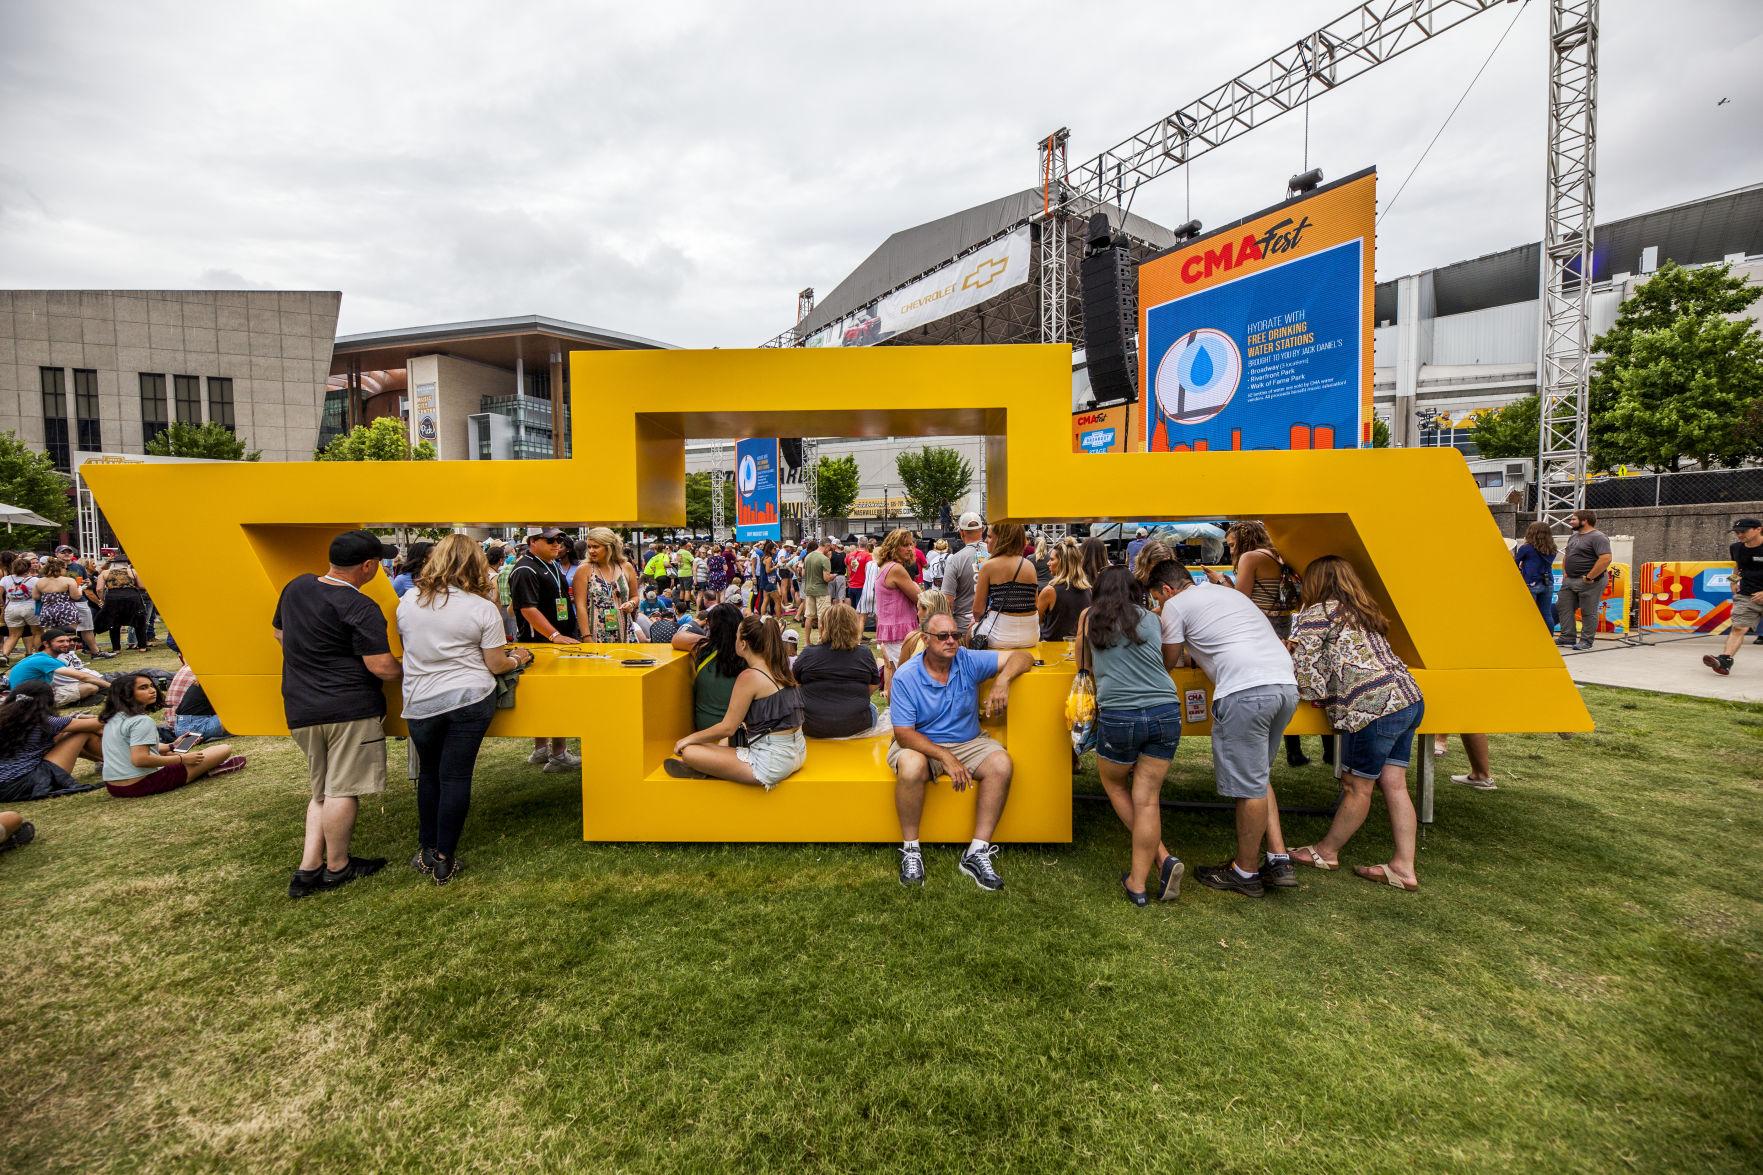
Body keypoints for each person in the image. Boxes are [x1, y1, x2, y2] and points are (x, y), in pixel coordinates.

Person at [1144, 556, 1299, 898]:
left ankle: (1245, 872)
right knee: (1257, 775)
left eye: (1158, 598)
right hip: (1284, 684)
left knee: (1249, 788)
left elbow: (1168, 661)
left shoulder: (1176, 606)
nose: (1159, 605)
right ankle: (1278, 857)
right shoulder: (1227, 593)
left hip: (1245, 690)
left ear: (1167, 589)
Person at [397, 534, 533, 884]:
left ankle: (428, 848)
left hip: (421, 700)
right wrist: (518, 657)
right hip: (469, 698)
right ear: (475, 565)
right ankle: (444, 857)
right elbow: (496, 664)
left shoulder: (408, 600)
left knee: (430, 774)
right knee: (455, 776)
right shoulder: (481, 608)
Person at [1286, 556, 1426, 891]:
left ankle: (1326, 852)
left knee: (1356, 786)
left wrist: (1288, 653)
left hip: (1371, 706)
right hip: (1407, 697)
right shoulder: (1362, 611)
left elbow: (1309, 681)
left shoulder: (1317, 613)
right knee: (1394, 784)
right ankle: (1403, 867)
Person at [276, 529, 403, 897]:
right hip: (349, 708)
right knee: (344, 789)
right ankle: (337, 866)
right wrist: (412, 669)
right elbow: (381, 667)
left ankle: (308, 868)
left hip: (301, 706)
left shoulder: (296, 587)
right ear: (367, 566)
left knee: (322, 790)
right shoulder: (360, 606)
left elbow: (279, 635)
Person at [887, 613, 1033, 890]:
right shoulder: (907, 676)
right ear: (926, 639)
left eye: (956, 634)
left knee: (1001, 763)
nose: (951, 641)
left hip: (968, 741)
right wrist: (944, 756)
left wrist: (1003, 680)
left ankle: (976, 851)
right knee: (911, 765)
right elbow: (904, 734)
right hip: (920, 741)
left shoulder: (967, 659)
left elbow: (1022, 656)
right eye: (943, 636)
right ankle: (911, 849)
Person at [1077, 566, 1185, 905]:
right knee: (1148, 798)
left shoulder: (1090, 618)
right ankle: (1146, 873)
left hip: (1120, 713)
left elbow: (1083, 664)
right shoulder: (1152, 618)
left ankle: (1154, 869)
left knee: (1114, 785)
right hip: (1165, 709)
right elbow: (1169, 659)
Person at [1214, 521, 1320, 769]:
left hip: (1261, 628)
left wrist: (1221, 582)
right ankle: (1307, 749)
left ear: (1245, 540)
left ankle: (1275, 752)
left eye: (1232, 545)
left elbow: (1240, 600)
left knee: (1264, 685)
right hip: (1283, 625)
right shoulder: (1279, 556)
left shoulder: (1250, 558)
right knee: (1285, 682)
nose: (1230, 551)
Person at [666, 614, 805, 788]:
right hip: (797, 752)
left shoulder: (749, 676)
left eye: (737, 636)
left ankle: (709, 770)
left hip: (771, 763)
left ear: (743, 644)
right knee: (724, 741)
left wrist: (687, 739)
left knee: (689, 752)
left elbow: (727, 727)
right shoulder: (780, 667)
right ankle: (714, 768)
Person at [508, 528, 582, 773]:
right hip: (541, 643)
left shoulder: (547, 564)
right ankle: (557, 753)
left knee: (548, 697)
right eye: (550, 540)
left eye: (559, 539)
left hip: (553, 642)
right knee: (554, 697)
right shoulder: (525, 568)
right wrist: (554, 634)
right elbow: (527, 608)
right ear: (533, 542)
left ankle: (543, 749)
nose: (556, 544)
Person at [100, 672, 242, 798]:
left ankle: (203, 768)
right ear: (126, 694)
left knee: (171, 755)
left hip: (114, 787)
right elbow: (140, 759)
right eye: (143, 688)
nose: (152, 691)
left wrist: (172, 746)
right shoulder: (142, 721)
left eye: (151, 686)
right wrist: (182, 759)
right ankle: (206, 770)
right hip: (141, 783)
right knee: (223, 749)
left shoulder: (113, 718)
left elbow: (135, 749)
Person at [0, 680, 103, 802]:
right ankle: (119, 764)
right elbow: (99, 723)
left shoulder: (7, 718)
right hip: (27, 783)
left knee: (63, 735)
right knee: (81, 732)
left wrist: (76, 717)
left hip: (5, 786)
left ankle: (105, 762)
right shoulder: (44, 721)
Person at [794, 602, 883, 738]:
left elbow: (794, 684)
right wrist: (854, 698)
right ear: (853, 627)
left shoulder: (808, 653)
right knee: (873, 709)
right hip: (857, 725)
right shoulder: (864, 653)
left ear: (823, 626)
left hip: (813, 726)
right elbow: (875, 684)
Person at [673, 602, 746, 731]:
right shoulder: (748, 655)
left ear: (711, 626)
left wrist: (712, 641)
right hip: (737, 733)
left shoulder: (703, 649)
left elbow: (677, 638)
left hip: (704, 730)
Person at [1705, 517, 1763, 676]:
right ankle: (1724, 661)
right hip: (1746, 596)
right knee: (1738, 628)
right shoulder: (1736, 548)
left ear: (1758, 529)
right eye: (1737, 532)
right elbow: (1738, 566)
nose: (1739, 535)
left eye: (1743, 531)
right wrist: (1733, 581)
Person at [971, 522, 1041, 650]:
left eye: (990, 537)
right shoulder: (1029, 565)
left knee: (970, 631)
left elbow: (977, 611)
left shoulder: (988, 566)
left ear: (1003, 539)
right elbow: (1035, 604)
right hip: (1031, 635)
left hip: (1000, 636)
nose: (986, 540)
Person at [1555, 509, 1611, 651]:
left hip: (1589, 581)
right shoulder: (1573, 537)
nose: (1570, 522)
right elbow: (1567, 555)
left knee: (1588, 611)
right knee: (1564, 607)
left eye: (1573, 519)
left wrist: (1589, 577)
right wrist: (1565, 572)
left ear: (1584, 521)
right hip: (1570, 580)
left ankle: (1586, 641)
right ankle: (1567, 636)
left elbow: (1605, 558)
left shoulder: (1598, 537)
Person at [872, 529, 923, 681]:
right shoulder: (896, 569)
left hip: (893, 628)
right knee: (908, 678)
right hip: (900, 629)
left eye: (911, 545)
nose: (909, 549)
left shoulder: (886, 566)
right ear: (894, 547)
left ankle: (893, 705)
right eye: (905, 545)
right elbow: (919, 598)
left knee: (897, 675)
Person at [574, 526, 639, 643]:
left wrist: (631, 603)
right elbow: (580, 606)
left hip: (625, 632)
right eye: (589, 546)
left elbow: (635, 596)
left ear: (609, 547)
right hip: (596, 634)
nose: (591, 550)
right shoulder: (584, 569)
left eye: (596, 547)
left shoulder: (626, 567)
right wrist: (586, 636)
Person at [9, 628, 106, 707]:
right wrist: (112, 687)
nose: (66, 644)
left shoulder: (38, 657)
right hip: (30, 700)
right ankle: (70, 703)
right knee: (91, 687)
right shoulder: (45, 660)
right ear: (46, 644)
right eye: (60, 641)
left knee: (92, 686)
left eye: (67, 641)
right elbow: (83, 677)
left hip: (24, 695)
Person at [940, 513, 988, 640]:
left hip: (963, 628)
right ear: (982, 530)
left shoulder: (955, 560)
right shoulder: (994, 554)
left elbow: (947, 601)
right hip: (992, 626)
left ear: (961, 533)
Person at [1036, 536, 1092, 641]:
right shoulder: (1087, 590)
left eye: (1052, 559)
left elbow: (1035, 622)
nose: (1048, 563)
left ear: (1062, 562)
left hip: (1052, 649)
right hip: (1079, 648)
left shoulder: (1050, 591)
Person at [165, 656, 228, 742]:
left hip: (179, 724)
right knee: (242, 717)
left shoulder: (202, 671)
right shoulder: (219, 676)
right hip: (193, 726)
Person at [96, 560, 150, 653]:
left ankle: (116, 649)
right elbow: (141, 585)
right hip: (132, 597)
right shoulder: (132, 571)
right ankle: (142, 647)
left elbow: (99, 589)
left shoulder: (104, 573)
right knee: (139, 621)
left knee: (114, 623)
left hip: (113, 598)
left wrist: (103, 599)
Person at [1513, 521, 1558, 630]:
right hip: (1548, 582)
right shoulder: (1552, 548)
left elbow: (1514, 563)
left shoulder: (1526, 548)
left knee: (1528, 613)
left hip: (1531, 582)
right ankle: (1549, 638)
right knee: (1546, 613)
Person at [31, 557, 84, 641]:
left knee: (52, 636)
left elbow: (35, 597)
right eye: (65, 568)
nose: (66, 570)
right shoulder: (69, 580)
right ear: (60, 568)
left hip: (47, 610)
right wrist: (80, 590)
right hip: (66, 610)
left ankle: (53, 652)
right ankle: (69, 652)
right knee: (70, 634)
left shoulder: (40, 581)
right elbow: (76, 596)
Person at [894, 590, 951, 668]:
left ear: (927, 609)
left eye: (918, 609)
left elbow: (900, 673)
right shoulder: (955, 639)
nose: (917, 614)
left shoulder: (913, 639)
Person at [2, 554, 39, 661]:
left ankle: (4, 656)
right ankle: (39, 655)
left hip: (12, 609)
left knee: (13, 635)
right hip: (31, 608)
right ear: (28, 567)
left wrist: (4, 604)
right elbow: (39, 595)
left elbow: (0, 594)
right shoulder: (35, 580)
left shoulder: (6, 579)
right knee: (37, 633)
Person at [799, 536, 834, 644]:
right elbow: (826, 578)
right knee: (822, 617)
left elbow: (803, 574)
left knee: (808, 617)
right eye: (830, 548)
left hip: (809, 590)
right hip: (821, 591)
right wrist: (833, 576)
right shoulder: (824, 559)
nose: (830, 550)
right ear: (827, 546)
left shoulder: (808, 556)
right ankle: (821, 640)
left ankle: (807, 642)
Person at [846, 536, 873, 610]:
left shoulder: (849, 555)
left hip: (851, 586)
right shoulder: (868, 556)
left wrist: (849, 579)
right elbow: (869, 571)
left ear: (858, 543)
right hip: (862, 586)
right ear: (867, 544)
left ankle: (853, 621)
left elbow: (848, 569)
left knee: (853, 609)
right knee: (861, 611)